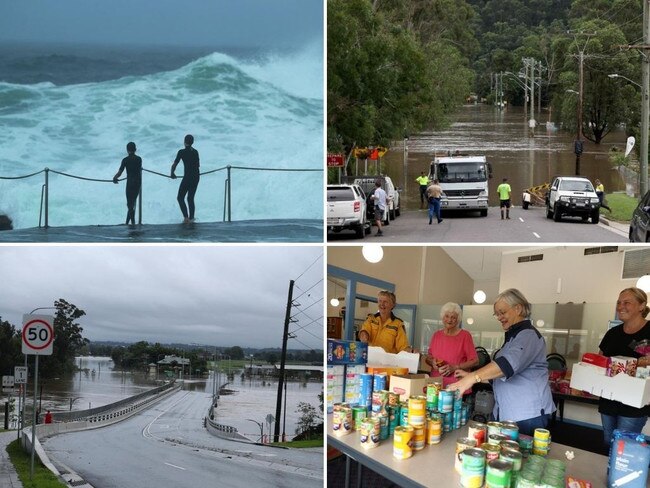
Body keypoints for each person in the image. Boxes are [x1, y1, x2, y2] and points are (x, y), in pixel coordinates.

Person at [448, 288, 555, 435]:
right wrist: (469, 376)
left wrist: (472, 378)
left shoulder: (528, 336)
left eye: (502, 312)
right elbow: (498, 376)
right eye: (497, 314)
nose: (499, 317)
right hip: (509, 412)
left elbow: (506, 366)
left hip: (527, 414)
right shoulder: (513, 337)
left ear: (518, 308)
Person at [598, 287, 650, 447]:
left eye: (627, 302)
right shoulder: (612, 333)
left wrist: (637, 363)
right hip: (609, 399)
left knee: (624, 447)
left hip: (634, 403)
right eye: (619, 302)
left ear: (642, 306)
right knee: (608, 442)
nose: (620, 306)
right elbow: (600, 360)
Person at [425, 302, 478, 391]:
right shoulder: (436, 335)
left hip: (457, 387)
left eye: (453, 317)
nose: (449, 320)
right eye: (447, 316)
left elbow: (475, 361)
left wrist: (456, 367)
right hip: (436, 386)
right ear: (443, 317)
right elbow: (428, 358)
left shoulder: (465, 336)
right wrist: (432, 362)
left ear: (458, 320)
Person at [171, 134, 200, 223]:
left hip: (188, 177)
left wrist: (172, 173)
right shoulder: (195, 151)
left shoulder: (181, 152)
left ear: (184, 142)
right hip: (196, 176)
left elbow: (175, 164)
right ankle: (191, 218)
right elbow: (198, 165)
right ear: (192, 142)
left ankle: (186, 218)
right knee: (190, 198)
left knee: (180, 197)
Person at [113, 141, 142, 225]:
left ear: (127, 150)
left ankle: (132, 223)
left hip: (130, 183)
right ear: (135, 149)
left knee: (130, 204)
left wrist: (115, 178)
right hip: (137, 182)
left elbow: (120, 172)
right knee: (131, 204)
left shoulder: (125, 160)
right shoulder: (139, 159)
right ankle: (127, 223)